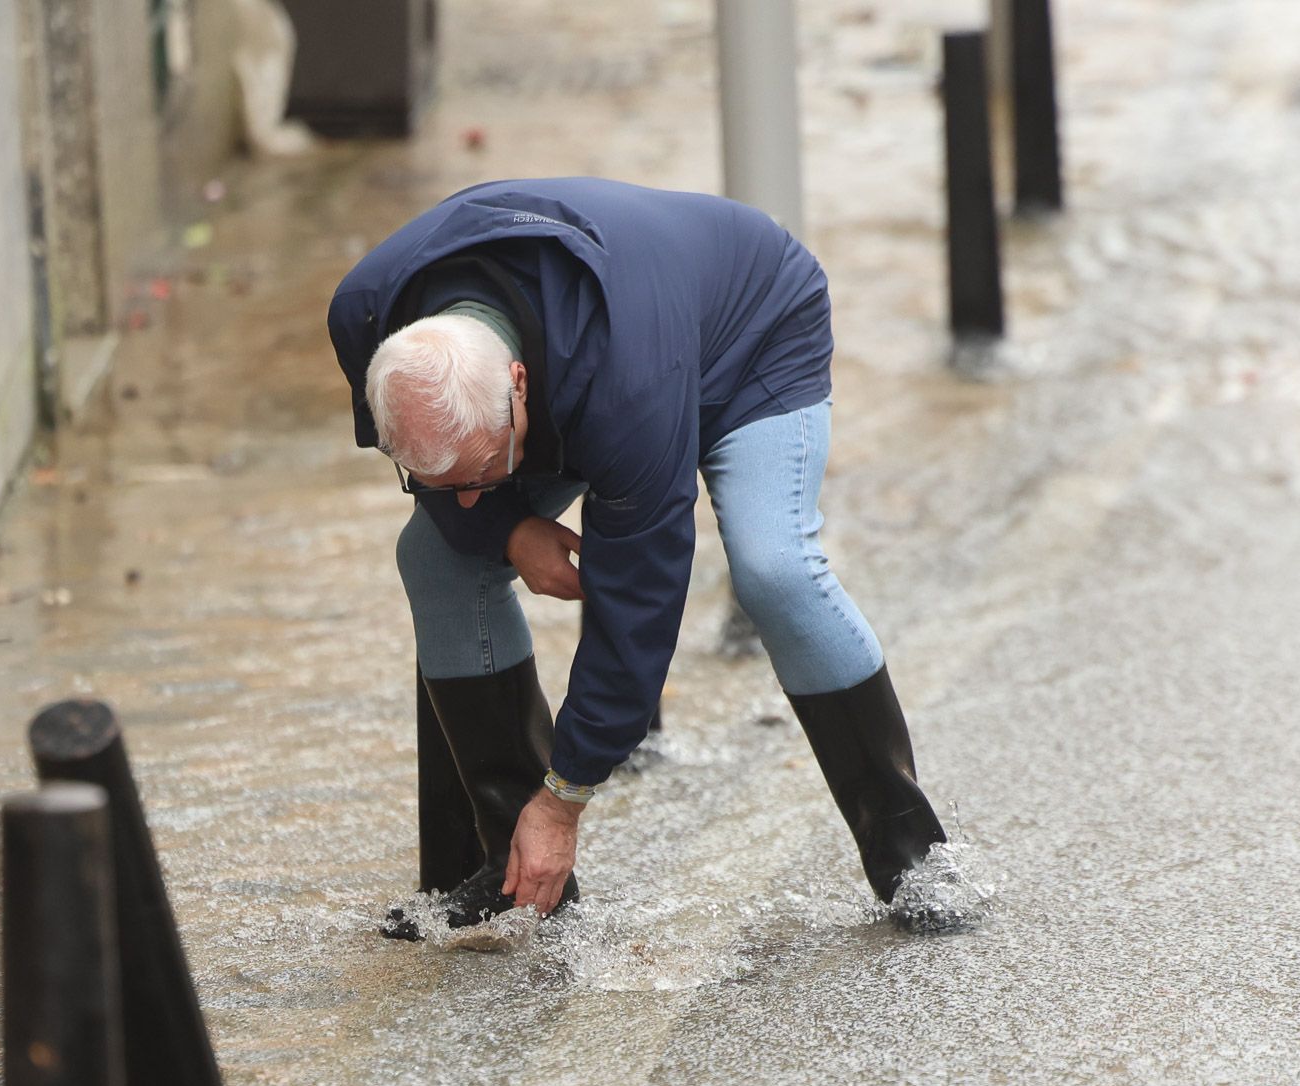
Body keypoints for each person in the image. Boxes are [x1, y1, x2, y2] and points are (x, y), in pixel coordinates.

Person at [327, 177, 951, 936]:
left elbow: (639, 606)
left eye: (486, 473)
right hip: (602, 340)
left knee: (773, 568)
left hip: (749, 337)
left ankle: (914, 861)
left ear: (519, 389)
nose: (465, 496)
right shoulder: (367, 315)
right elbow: (452, 490)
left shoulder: (627, 389)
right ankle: (503, 875)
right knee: (436, 558)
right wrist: (504, 526)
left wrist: (565, 799)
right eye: (437, 480)